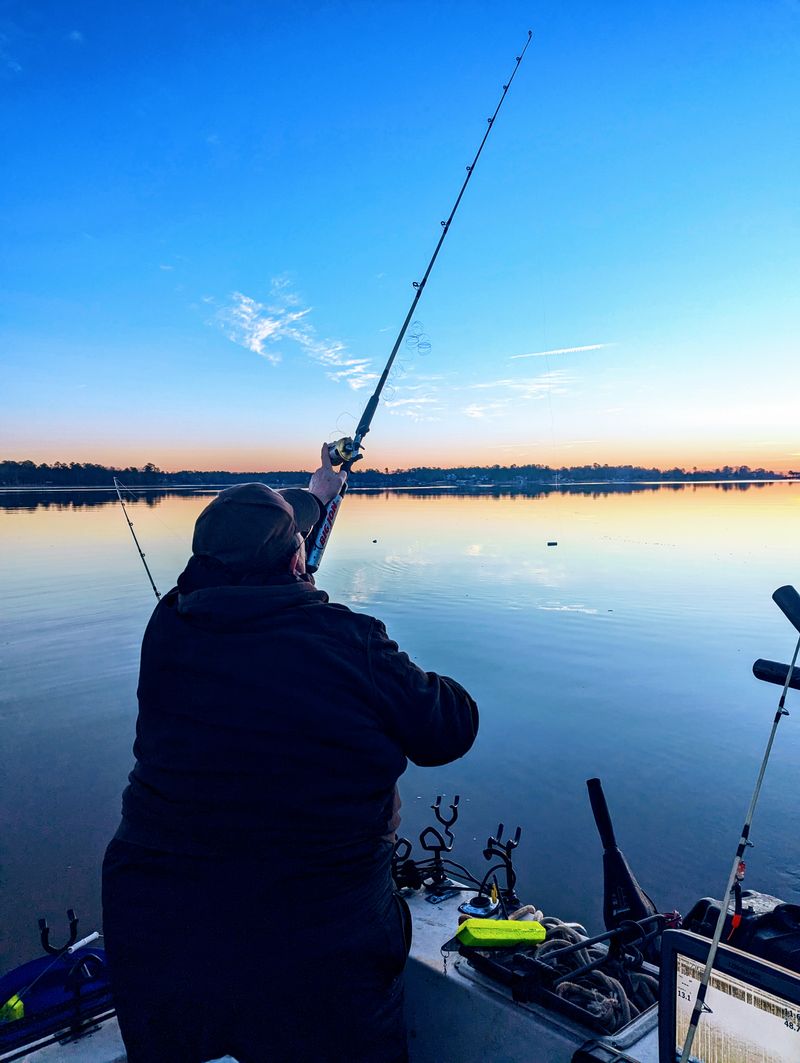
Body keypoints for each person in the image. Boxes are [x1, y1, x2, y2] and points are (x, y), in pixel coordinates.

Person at [102, 445, 478, 1063]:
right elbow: (450, 729)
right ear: (299, 559)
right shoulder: (348, 643)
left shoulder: (168, 624)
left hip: (156, 930)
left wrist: (321, 495)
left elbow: (260, 579)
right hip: (315, 942)